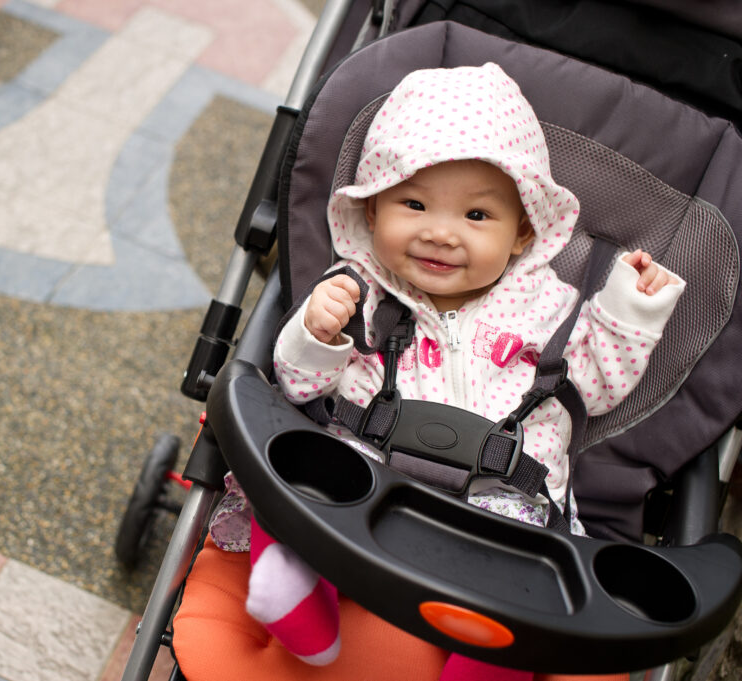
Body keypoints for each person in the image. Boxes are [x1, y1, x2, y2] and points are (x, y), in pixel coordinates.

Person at [207, 63, 685, 679]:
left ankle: (480, 667)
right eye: (412, 203)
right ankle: (297, 596)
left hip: (498, 510)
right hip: (362, 486)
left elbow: (594, 385)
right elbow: (298, 387)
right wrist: (317, 334)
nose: (439, 233)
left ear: (522, 236)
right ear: (373, 212)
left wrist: (630, 309)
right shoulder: (361, 292)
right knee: (292, 483)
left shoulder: (552, 312)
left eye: (476, 217)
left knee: (523, 601)